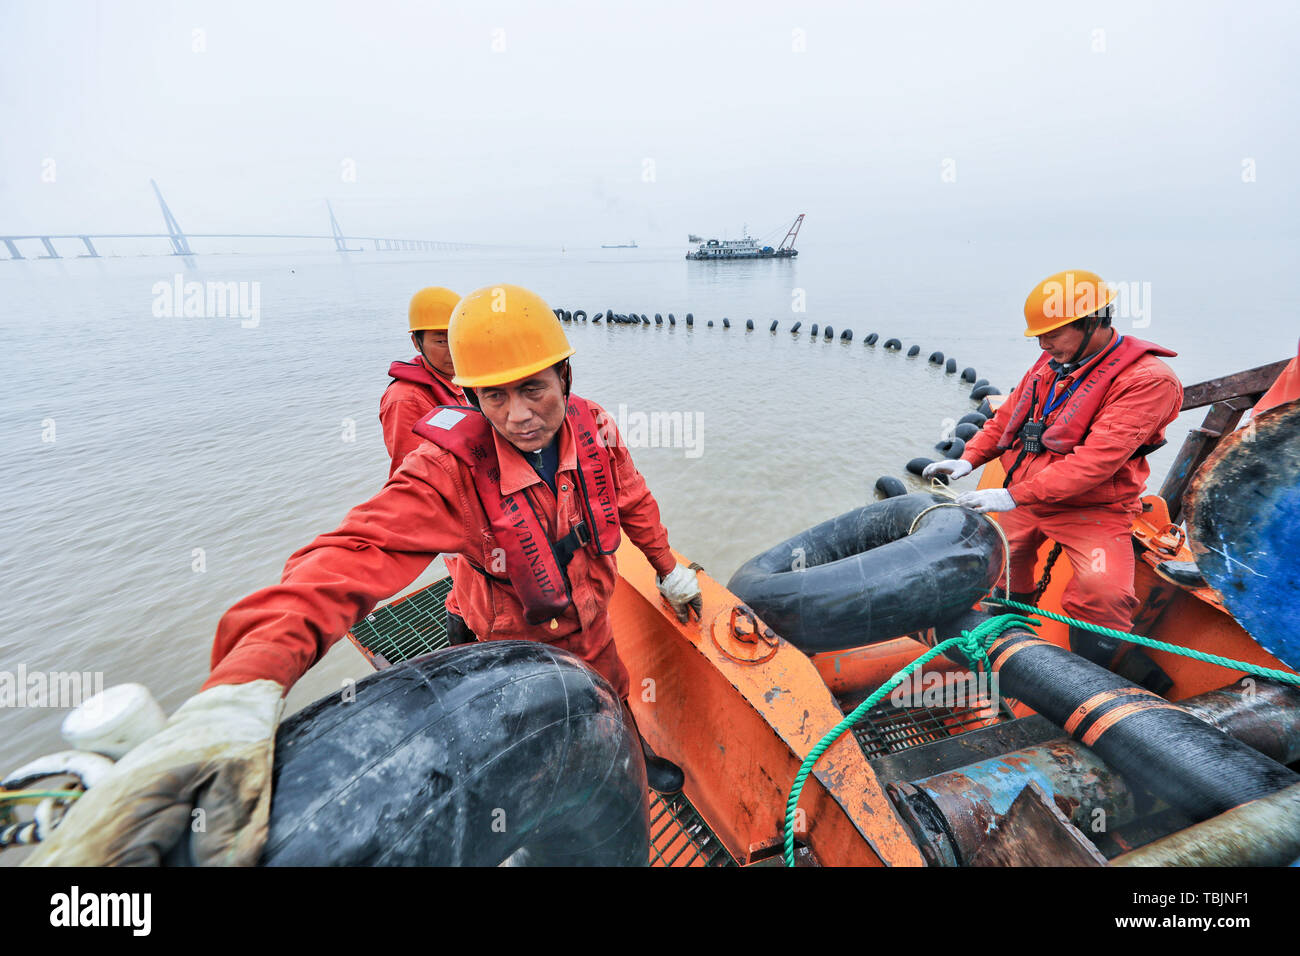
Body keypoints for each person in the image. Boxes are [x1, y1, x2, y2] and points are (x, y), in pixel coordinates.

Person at [29, 284, 703, 867]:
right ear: (469, 396)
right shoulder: (453, 470)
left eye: (534, 389)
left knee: (613, 697)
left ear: (566, 380)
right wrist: (246, 681)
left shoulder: (596, 431)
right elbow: (352, 551)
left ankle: (640, 762)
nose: (519, 415)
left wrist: (670, 570)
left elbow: (635, 501)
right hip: (509, 639)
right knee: (514, 741)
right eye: (493, 397)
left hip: (591, 624)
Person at [925, 270, 1184, 693]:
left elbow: (1095, 464)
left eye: (1053, 334)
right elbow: (1008, 418)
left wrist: (1010, 495)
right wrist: (969, 460)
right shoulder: (1052, 360)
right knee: (1000, 568)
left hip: (1091, 507)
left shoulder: (1148, 381)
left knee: (1105, 595)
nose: (1043, 345)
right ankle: (1005, 642)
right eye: (1039, 337)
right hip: (1022, 494)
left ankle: (1081, 683)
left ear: (1095, 322)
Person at [380, 286, 467, 478]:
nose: (453, 351)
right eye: (441, 342)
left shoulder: (466, 381)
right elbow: (414, 472)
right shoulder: (405, 399)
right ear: (416, 342)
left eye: (457, 339)